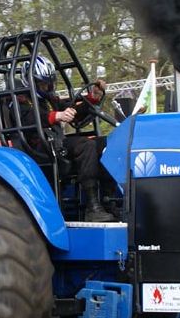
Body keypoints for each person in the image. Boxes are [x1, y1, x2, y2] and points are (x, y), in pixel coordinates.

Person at [16, 55, 115, 222]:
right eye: (42, 84)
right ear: (30, 81)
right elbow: (28, 118)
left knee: (106, 143)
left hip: (56, 142)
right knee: (86, 145)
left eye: (48, 83)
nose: (46, 87)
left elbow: (72, 111)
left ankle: (109, 200)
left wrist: (92, 98)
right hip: (37, 146)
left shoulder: (49, 99)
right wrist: (56, 116)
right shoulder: (19, 100)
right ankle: (92, 207)